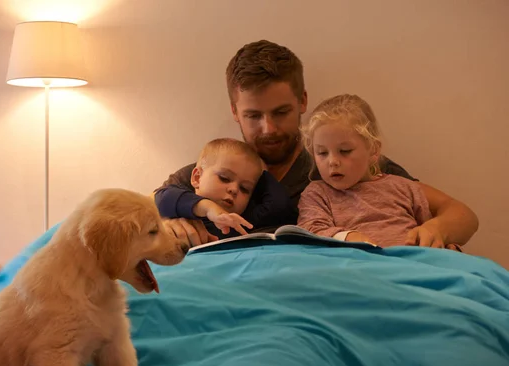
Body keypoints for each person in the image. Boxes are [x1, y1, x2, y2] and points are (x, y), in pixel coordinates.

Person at [155, 40, 478, 248]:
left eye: (281, 112)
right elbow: (141, 217)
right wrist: (170, 226)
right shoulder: (215, 169)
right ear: (234, 112)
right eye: (253, 115)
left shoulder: (338, 160)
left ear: (302, 101)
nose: (268, 128)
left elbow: (461, 215)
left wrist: (437, 231)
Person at [297, 94, 445, 248]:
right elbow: (311, 230)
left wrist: (446, 245)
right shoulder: (317, 194)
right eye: (322, 153)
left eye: (345, 151)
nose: (332, 161)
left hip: (413, 261)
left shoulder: (405, 188)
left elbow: (430, 233)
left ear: (373, 150)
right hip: (357, 264)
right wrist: (347, 236)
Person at [155, 138, 297, 239]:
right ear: (197, 178)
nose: (234, 189)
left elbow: (280, 206)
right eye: (224, 178)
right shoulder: (179, 205)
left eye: (245, 188)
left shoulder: (243, 221)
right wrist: (208, 208)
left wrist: (263, 174)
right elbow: (161, 198)